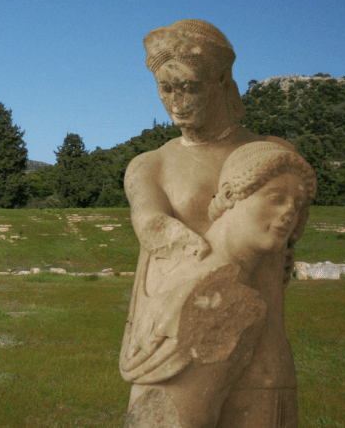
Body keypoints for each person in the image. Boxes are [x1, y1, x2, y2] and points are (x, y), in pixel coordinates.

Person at [119, 19, 309, 427]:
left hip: (262, 354)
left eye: (189, 86)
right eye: (166, 89)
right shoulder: (150, 164)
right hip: (178, 348)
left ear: (222, 81)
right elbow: (150, 224)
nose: (176, 101)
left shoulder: (276, 156)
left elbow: (289, 242)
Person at [122, 142, 316, 427]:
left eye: (297, 205)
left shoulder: (207, 277)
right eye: (276, 198)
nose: (290, 213)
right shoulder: (218, 294)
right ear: (229, 195)